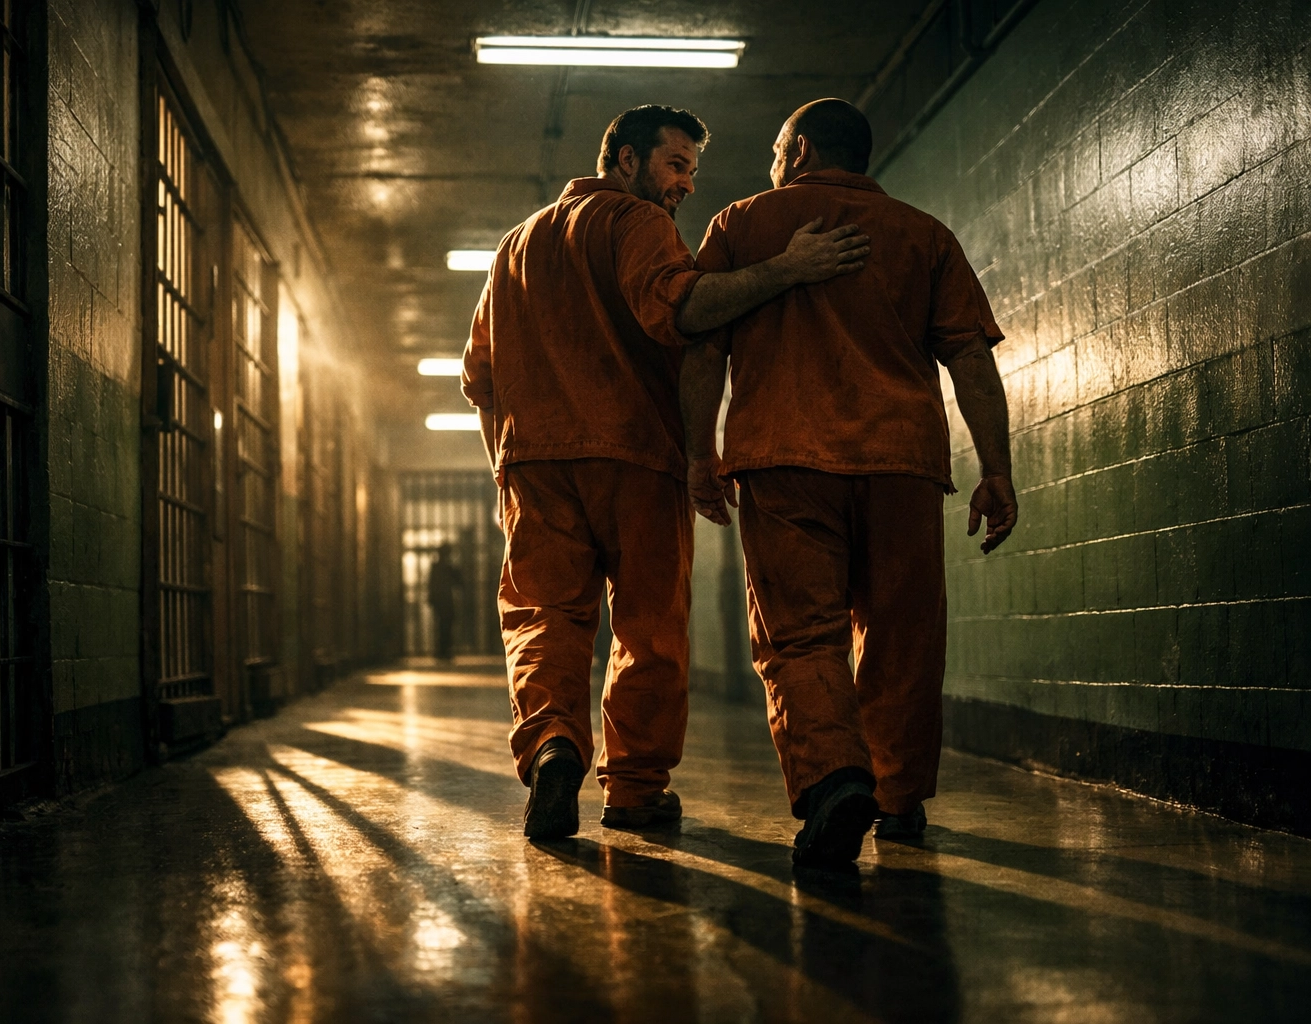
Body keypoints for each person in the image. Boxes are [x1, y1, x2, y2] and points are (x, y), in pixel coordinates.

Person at [462, 104, 871, 839]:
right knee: (648, 628)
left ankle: (553, 742)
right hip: (634, 455)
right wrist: (787, 268)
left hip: (534, 466)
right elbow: (686, 310)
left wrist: (505, 469)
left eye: (690, 170)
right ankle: (634, 789)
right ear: (624, 160)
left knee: (542, 617)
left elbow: (480, 378)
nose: (684, 184)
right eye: (675, 165)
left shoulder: (512, 248)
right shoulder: (636, 224)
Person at [679, 98, 1018, 867]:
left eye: (774, 149)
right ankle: (898, 799)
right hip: (901, 462)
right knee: (901, 633)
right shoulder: (925, 236)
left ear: (798, 150)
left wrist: (700, 453)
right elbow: (971, 359)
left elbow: (701, 348)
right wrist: (995, 471)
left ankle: (834, 778)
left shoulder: (742, 225)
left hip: (785, 458)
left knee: (802, 636)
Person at [427, 544, 463, 661]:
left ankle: (441, 651)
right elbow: (459, 582)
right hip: (447, 601)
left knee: (440, 626)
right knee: (446, 626)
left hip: (439, 601)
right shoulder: (449, 567)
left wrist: (431, 599)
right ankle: (445, 651)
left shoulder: (436, 567)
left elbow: (431, 584)